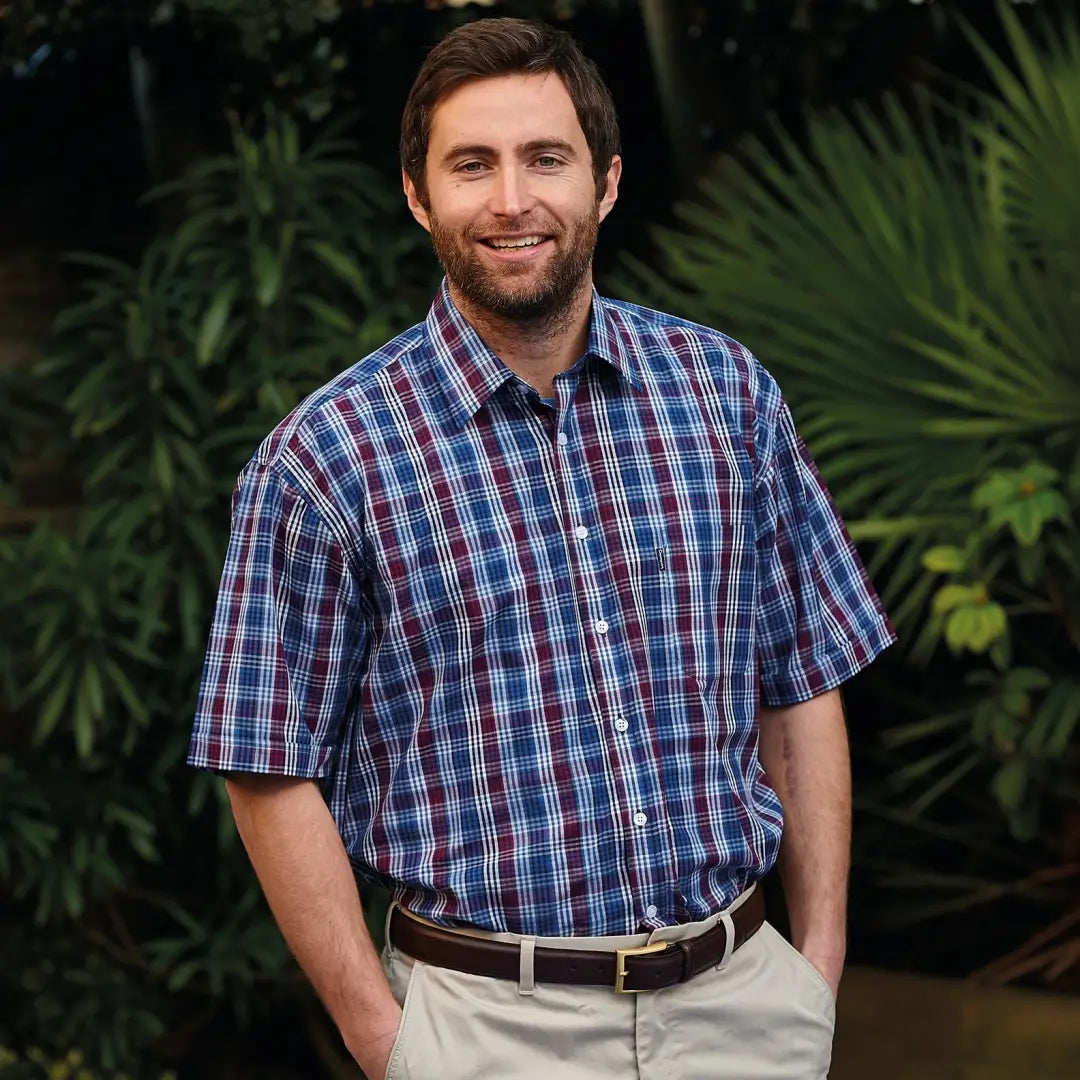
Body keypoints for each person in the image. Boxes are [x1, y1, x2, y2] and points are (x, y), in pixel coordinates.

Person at [188, 16, 895, 1080]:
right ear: (419, 195)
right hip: (484, 1031)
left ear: (605, 183)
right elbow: (265, 766)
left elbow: (801, 678)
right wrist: (386, 1041)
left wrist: (821, 963)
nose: (512, 199)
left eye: (545, 159)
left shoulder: (724, 396)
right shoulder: (324, 462)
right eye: (472, 164)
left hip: (745, 1009)